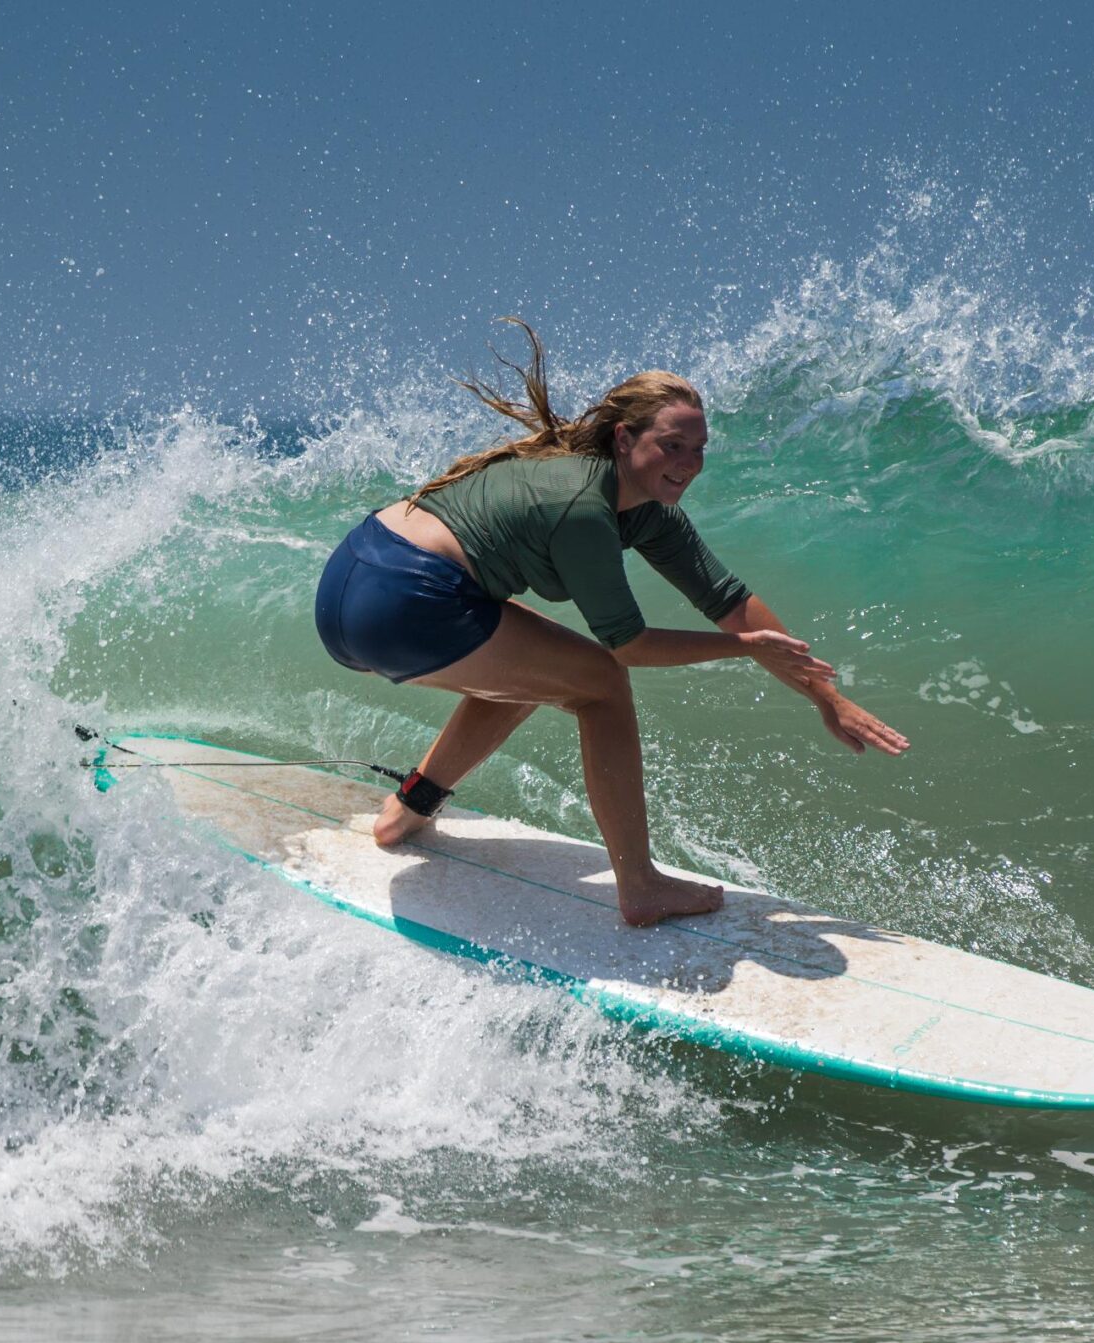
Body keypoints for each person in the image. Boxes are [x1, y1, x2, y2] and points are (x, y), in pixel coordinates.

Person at [314, 321, 909, 926]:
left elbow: (730, 602)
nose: (689, 464)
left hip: (354, 579)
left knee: (541, 667)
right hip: (404, 601)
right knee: (599, 681)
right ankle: (640, 884)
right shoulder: (583, 507)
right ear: (625, 439)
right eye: (672, 446)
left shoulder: (644, 508)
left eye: (699, 448)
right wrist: (745, 651)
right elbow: (629, 647)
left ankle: (407, 811)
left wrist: (826, 698)